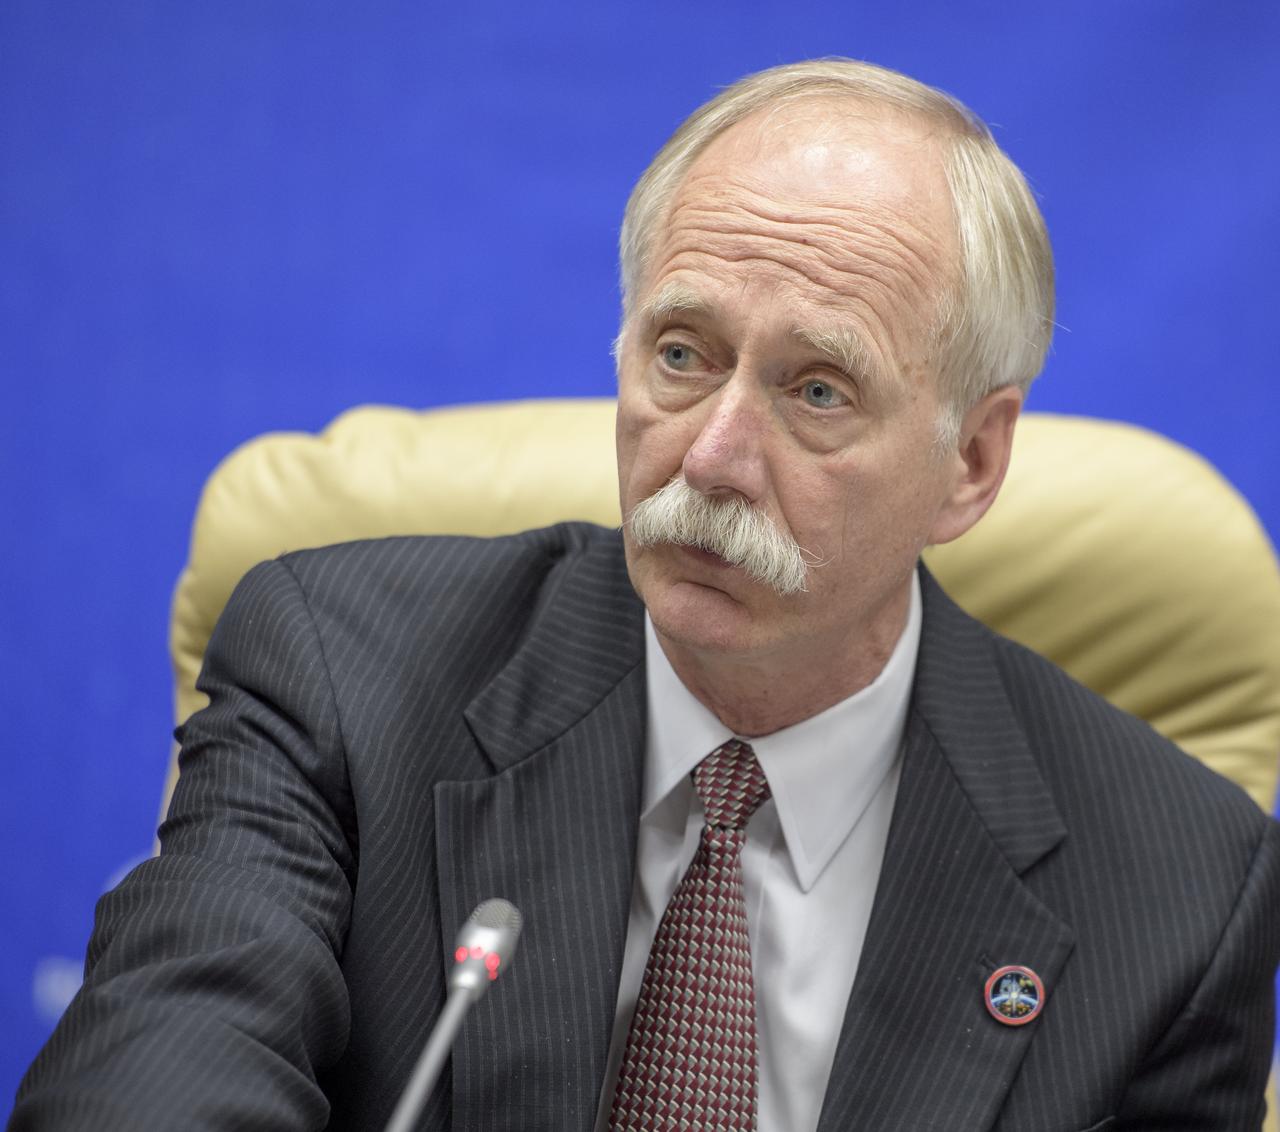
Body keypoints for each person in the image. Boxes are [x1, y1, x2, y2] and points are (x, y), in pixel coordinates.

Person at [11, 59, 1279, 1132]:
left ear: (971, 462)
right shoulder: (343, 675)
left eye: (816, 389)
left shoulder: (1178, 891)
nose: (711, 457)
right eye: (681, 354)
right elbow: (160, 1061)